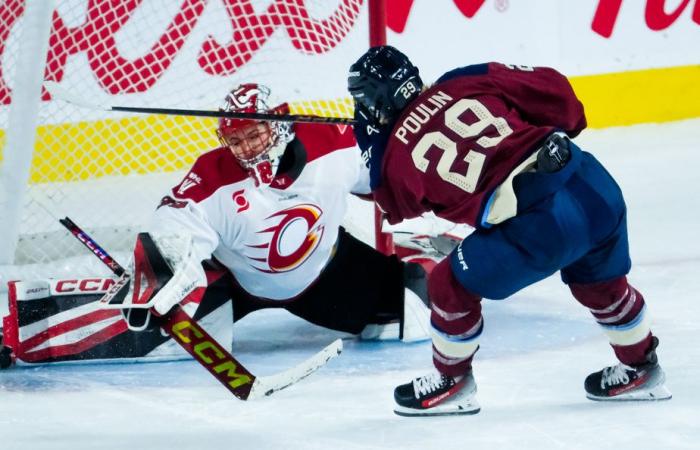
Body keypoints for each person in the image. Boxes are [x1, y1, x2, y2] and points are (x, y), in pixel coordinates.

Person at [347, 46, 672, 416]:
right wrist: (571, 122)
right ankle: (642, 369)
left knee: (448, 285)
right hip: (594, 185)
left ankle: (452, 382)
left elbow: (394, 205)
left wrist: (373, 141)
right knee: (601, 286)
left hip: (539, 224)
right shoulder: (460, 80)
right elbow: (557, 93)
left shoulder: (394, 156)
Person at [116, 83, 436, 345]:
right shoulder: (212, 174)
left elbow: (388, 174)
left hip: (326, 275)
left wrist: (436, 188)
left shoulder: (334, 144)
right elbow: (175, 217)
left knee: (411, 298)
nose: (246, 149)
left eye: (254, 135)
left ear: (278, 124)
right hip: (233, 283)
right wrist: (162, 263)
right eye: (235, 141)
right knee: (153, 327)